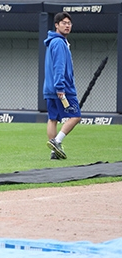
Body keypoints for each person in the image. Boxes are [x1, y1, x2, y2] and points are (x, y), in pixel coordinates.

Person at [44, 12, 81, 160]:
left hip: (49, 89)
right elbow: (59, 66)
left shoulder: (53, 42)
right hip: (62, 89)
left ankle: (54, 153)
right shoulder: (59, 42)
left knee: (53, 118)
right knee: (76, 116)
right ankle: (57, 142)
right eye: (64, 23)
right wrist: (60, 87)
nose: (67, 25)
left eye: (69, 23)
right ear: (56, 25)